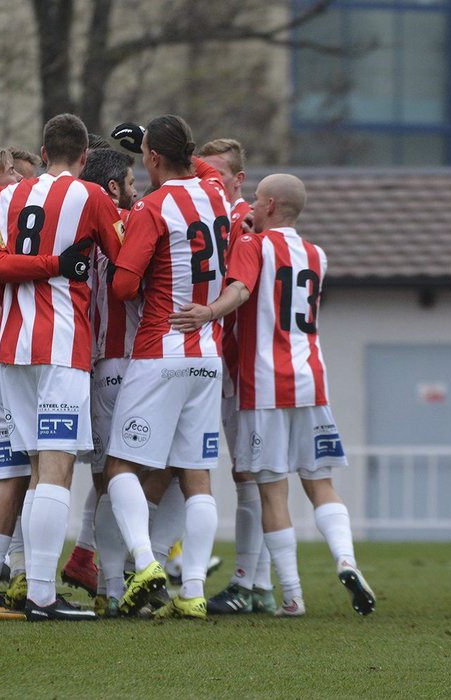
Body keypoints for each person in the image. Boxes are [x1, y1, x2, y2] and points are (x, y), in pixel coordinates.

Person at [170, 173, 375, 617]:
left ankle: (293, 596)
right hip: (312, 380)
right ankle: (346, 559)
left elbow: (241, 290)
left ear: (265, 204)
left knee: (272, 492)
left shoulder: (253, 246)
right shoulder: (317, 255)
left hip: (264, 383)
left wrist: (207, 311)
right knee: (321, 484)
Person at [0, 114, 122, 622]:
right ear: (84, 157)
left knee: (21, 473)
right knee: (56, 468)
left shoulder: (6, 198)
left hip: (11, 351)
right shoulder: (91, 197)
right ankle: (42, 594)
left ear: (42, 155)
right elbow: (124, 262)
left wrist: (12, 238)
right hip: (63, 346)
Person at [103, 116, 231, 619]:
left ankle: (144, 562)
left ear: (151, 159)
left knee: (120, 467)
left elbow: (124, 286)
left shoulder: (152, 207)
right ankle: (194, 589)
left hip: (161, 350)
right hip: (208, 353)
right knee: (196, 475)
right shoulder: (217, 195)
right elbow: (203, 170)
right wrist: (162, 145)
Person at [194, 138, 275, 615]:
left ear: (238, 180)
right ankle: (257, 582)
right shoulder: (207, 215)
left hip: (243, 366)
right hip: (215, 363)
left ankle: (250, 581)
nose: (211, 181)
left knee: (249, 472)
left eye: (220, 174)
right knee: (231, 470)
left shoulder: (248, 223)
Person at [78, 147, 139, 616]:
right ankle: (147, 569)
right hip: (134, 365)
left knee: (105, 479)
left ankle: (109, 588)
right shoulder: (131, 227)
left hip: (95, 367)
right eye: (131, 182)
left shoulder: (77, 227)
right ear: (114, 187)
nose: (138, 192)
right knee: (141, 476)